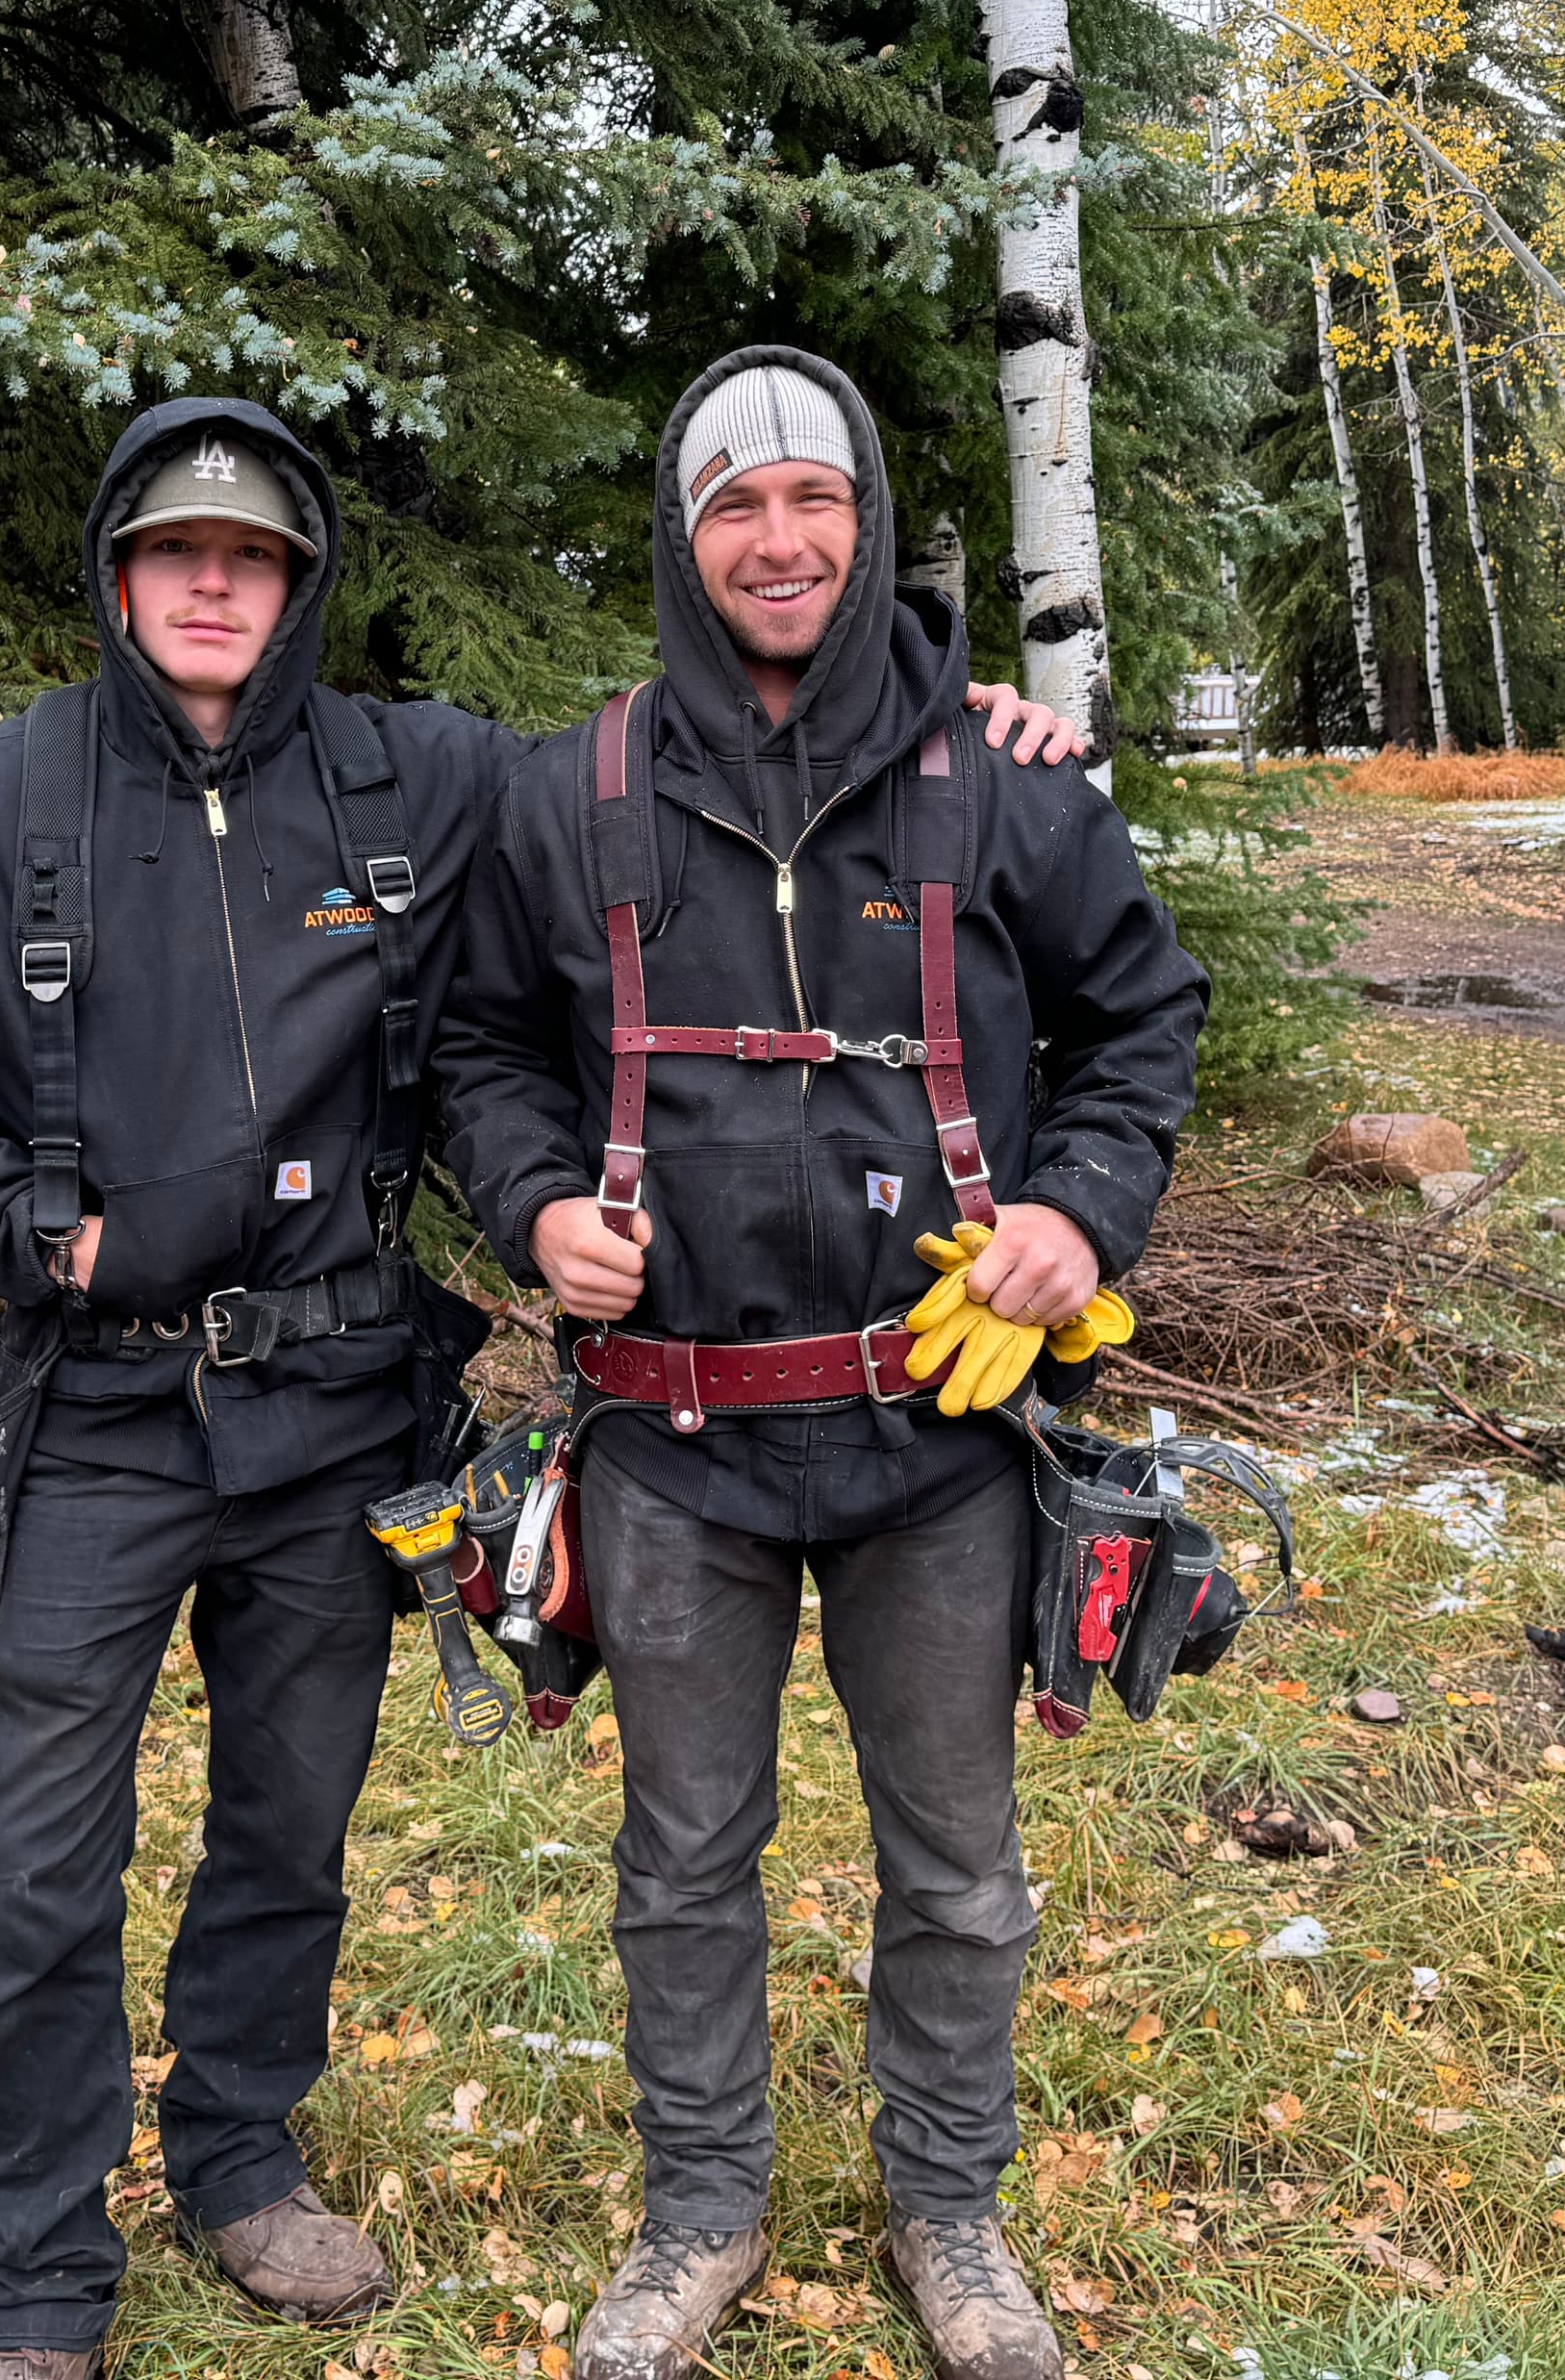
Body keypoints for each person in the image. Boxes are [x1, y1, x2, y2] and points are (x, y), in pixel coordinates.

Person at [0, 393, 1083, 2380]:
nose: (213, 585)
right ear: (117, 576)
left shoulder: (429, 778)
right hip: (96, 1420)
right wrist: (30, 1241)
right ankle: (39, 2273)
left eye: (253, 557)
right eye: (173, 554)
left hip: (330, 1406)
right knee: (39, 1858)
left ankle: (236, 2157)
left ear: (302, 586)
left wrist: (954, 712)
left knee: (288, 1826)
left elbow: (719, 741)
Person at [440, 348, 1210, 2380]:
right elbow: (477, 1053)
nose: (777, 541)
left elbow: (1142, 1022)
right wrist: (531, 1207)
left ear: (866, 519)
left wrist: (1080, 1212)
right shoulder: (577, 790)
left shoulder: (1002, 778)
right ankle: (701, 2206)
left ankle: (951, 2211)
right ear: (684, 541)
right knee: (683, 1860)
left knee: (955, 1866)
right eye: (732, 507)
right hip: (671, 1443)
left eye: (813, 500)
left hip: (940, 1430)